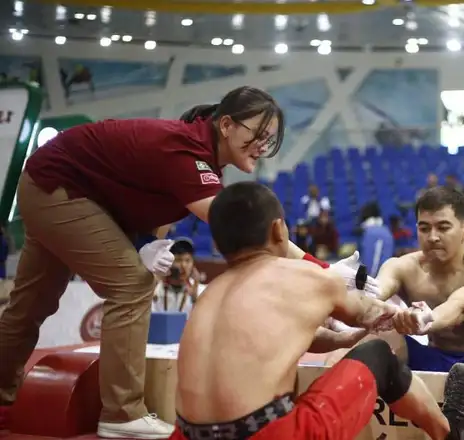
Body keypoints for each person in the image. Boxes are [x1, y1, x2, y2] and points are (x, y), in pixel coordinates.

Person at [0, 86, 377, 438]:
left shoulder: (197, 155)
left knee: (32, 304)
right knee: (131, 284)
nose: (262, 145)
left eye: (269, 138)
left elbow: (155, 208)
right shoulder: (187, 154)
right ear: (226, 125)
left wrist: (147, 243)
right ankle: (121, 414)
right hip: (58, 187)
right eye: (257, 134)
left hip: (48, 182)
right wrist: (326, 270)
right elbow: (256, 232)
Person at [171, 182, 464, 440]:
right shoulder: (302, 276)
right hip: (265, 435)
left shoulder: (210, 292)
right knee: (379, 355)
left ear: (216, 241)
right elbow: (373, 313)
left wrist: (342, 340)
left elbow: (280, 336)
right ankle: (449, 432)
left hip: (185, 434)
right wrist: (409, 316)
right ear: (280, 230)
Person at [342, 186, 464, 377]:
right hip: (434, 359)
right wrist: (342, 296)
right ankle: (330, 390)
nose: (433, 237)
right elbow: (376, 292)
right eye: (424, 228)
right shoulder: (403, 267)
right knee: (381, 331)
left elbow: (458, 306)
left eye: (443, 228)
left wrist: (425, 319)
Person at [152, 239, 202, 314]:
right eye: (178, 260)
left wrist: (195, 299)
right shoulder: (156, 290)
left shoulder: (201, 291)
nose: (183, 265)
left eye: (187, 260)